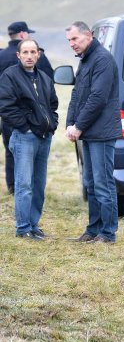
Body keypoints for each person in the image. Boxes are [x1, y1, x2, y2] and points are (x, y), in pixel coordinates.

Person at [64, 21, 122, 245]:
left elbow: (97, 98)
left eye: (75, 39)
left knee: (103, 183)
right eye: (69, 40)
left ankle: (107, 234)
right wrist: (71, 123)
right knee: (90, 182)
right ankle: (93, 229)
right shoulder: (86, 60)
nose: (71, 44)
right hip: (88, 132)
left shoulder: (102, 60)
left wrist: (78, 126)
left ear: (88, 36)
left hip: (102, 133)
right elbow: (78, 95)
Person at [0, 39, 58, 240]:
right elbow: (6, 106)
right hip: (24, 138)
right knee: (24, 185)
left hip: (44, 137)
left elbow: (52, 104)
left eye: (33, 52)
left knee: (38, 185)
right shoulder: (10, 76)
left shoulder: (43, 77)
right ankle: (23, 228)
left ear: (38, 54)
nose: (29, 56)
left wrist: (52, 125)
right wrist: (25, 128)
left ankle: (33, 225)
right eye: (25, 52)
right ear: (18, 55)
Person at [0, 21, 53, 194]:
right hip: (33, 118)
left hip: (7, 116)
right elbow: (49, 81)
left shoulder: (0, 56)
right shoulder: (38, 56)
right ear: (23, 35)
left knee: (10, 150)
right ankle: (27, 188)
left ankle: (13, 186)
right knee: (33, 155)